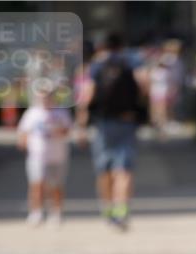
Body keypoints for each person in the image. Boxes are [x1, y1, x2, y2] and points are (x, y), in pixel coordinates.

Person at [76, 32, 145, 229]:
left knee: (104, 169)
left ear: (101, 47)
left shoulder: (96, 66)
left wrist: (81, 125)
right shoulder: (131, 62)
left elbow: (87, 96)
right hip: (127, 121)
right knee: (124, 169)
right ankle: (122, 210)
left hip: (102, 124)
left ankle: (107, 209)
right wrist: (141, 109)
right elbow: (144, 84)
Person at [16, 80, 73, 226]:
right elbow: (22, 133)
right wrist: (24, 142)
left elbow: (67, 130)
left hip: (57, 155)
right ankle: (36, 212)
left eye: (48, 95)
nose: (45, 99)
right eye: (42, 96)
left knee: (56, 185)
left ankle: (57, 211)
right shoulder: (32, 113)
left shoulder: (61, 112)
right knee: (37, 184)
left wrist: (58, 129)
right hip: (37, 155)